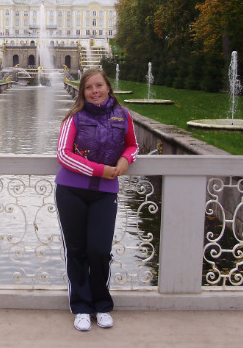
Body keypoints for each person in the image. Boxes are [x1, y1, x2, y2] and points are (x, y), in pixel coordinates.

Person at [55, 68, 139, 331]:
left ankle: (102, 305)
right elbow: (63, 154)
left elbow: (133, 145)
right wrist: (98, 170)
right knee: (77, 250)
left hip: (105, 193)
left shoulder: (123, 115)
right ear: (83, 91)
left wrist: (126, 159)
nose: (94, 91)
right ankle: (81, 306)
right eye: (89, 87)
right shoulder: (75, 117)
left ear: (108, 87)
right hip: (71, 191)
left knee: (100, 250)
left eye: (99, 85)